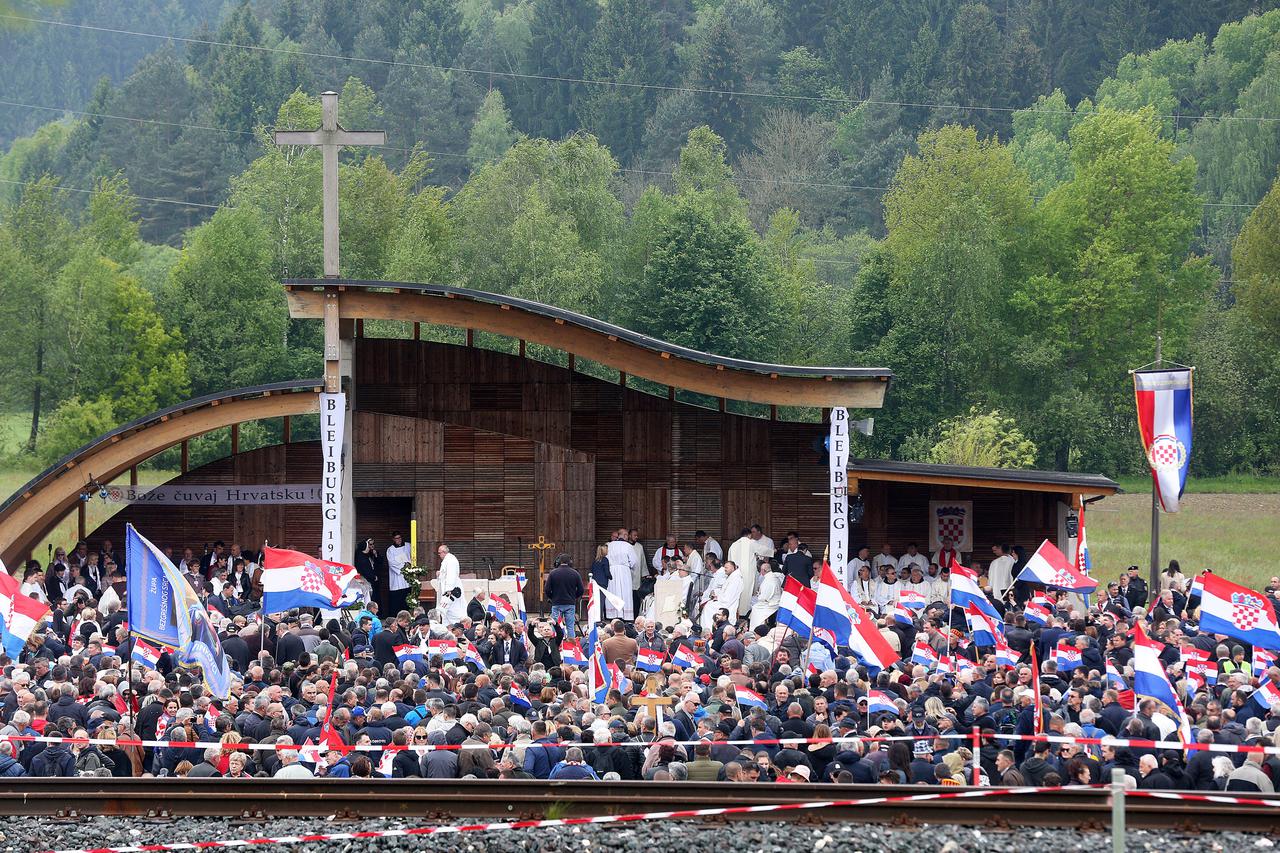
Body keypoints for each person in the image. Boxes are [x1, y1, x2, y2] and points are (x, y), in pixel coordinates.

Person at [544, 555, 584, 637]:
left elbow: (547, 589)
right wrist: (573, 597)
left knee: (555, 626)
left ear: (559, 562)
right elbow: (581, 590)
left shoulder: (553, 573)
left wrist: (552, 598)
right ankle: (571, 643)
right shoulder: (575, 573)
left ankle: (555, 643)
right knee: (570, 627)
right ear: (570, 562)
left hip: (556, 603)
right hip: (570, 603)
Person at [605, 529, 637, 620]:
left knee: (613, 591)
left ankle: (612, 615)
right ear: (625, 535)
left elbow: (605, 559)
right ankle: (625, 615)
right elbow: (634, 561)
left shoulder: (609, 545)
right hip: (624, 572)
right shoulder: (628, 546)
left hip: (612, 571)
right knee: (625, 592)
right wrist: (628, 566)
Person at [435, 544, 465, 624]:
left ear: (444, 552)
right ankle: (447, 624)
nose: (439, 555)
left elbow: (451, 575)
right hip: (447, 590)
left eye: (439, 553)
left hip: (451, 591)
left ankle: (454, 624)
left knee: (452, 609)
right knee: (446, 610)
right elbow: (445, 574)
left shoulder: (451, 560)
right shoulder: (447, 560)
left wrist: (449, 589)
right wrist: (440, 573)